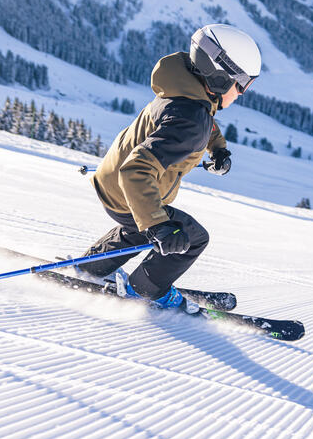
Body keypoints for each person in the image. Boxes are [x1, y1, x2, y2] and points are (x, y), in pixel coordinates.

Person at [77, 24, 262, 309]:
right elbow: (136, 170)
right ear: (220, 78)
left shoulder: (184, 87)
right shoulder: (192, 121)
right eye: (243, 85)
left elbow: (202, 119)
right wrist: (159, 225)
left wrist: (218, 147)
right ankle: (146, 290)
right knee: (192, 238)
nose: (241, 94)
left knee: (136, 229)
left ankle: (91, 268)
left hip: (111, 181)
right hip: (129, 189)